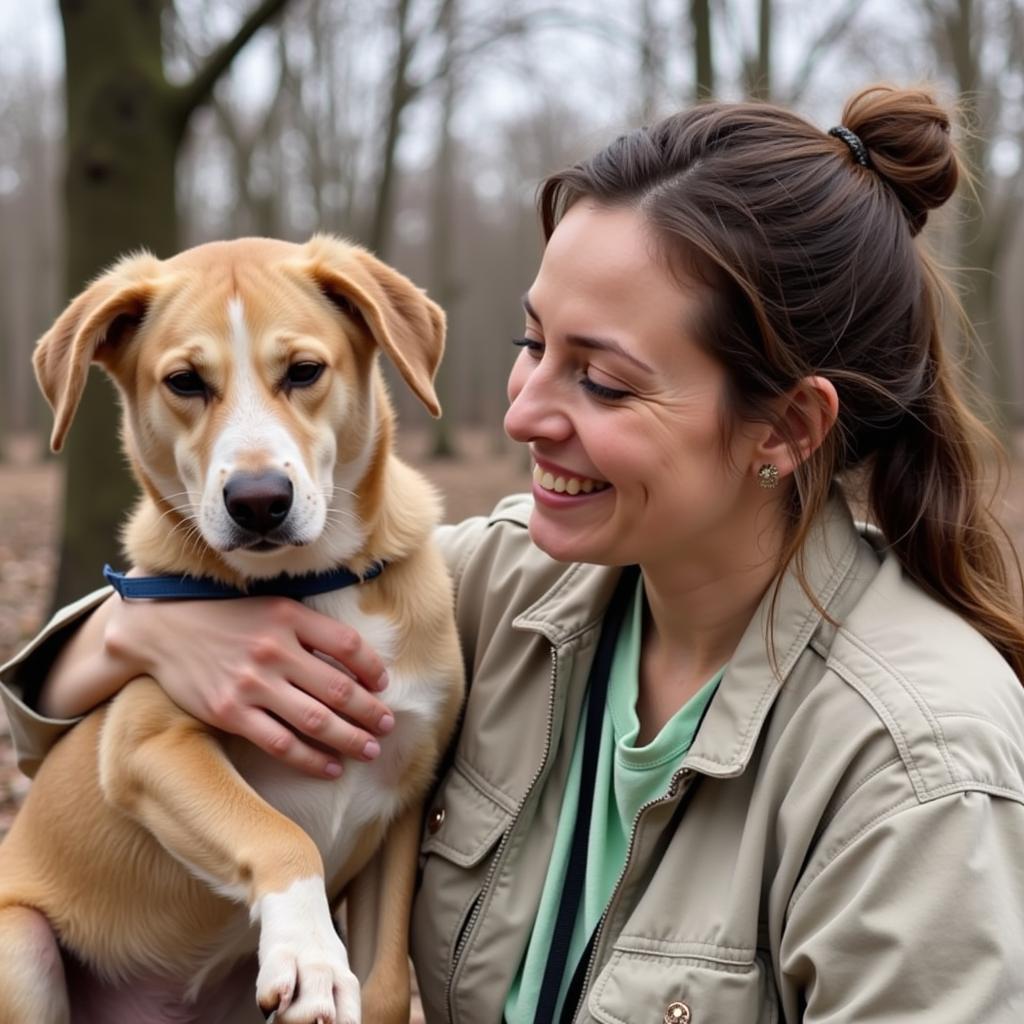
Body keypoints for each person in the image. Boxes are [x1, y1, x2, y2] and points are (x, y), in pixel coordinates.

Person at [4, 84, 1024, 1023]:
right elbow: (98, 745)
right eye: (531, 345)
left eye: (605, 382)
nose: (525, 410)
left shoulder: (915, 772)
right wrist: (144, 628)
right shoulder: (496, 587)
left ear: (786, 429)